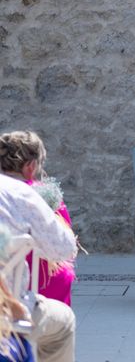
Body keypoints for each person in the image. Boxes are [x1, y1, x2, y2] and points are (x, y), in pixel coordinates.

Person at [0, 172, 77, 362]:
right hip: (6, 316)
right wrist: (12, 303)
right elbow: (64, 249)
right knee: (63, 322)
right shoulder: (17, 191)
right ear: (31, 166)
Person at [0, 131, 76, 306]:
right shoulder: (31, 194)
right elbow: (64, 248)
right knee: (62, 276)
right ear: (31, 166)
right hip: (20, 295)